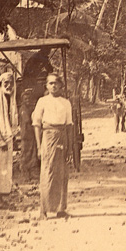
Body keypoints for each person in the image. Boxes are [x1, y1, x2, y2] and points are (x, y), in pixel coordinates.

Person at [32, 74, 74, 219]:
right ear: (47, 86)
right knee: (47, 171)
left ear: (61, 85)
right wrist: (38, 146)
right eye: (50, 83)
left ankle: (60, 209)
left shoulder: (66, 103)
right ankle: (43, 209)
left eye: (56, 83)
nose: (54, 86)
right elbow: (37, 124)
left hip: (62, 136)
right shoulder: (42, 102)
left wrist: (69, 147)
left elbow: (69, 126)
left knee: (62, 173)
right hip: (48, 138)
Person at [0, 71, 19, 207]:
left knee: (6, 166)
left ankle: (2, 197)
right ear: (0, 84)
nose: (8, 86)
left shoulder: (10, 98)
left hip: (8, 135)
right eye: (6, 83)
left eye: (11, 83)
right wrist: (0, 139)